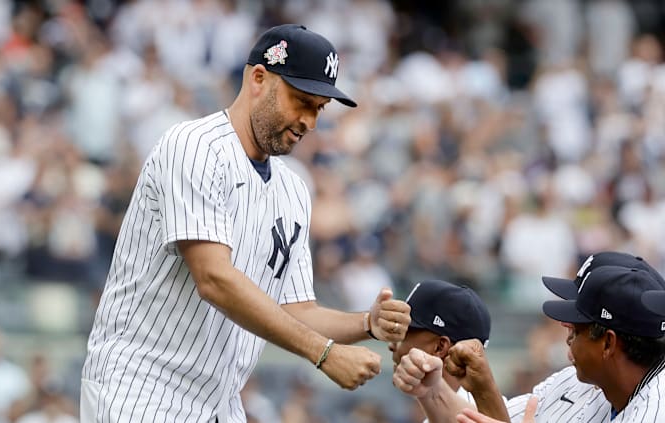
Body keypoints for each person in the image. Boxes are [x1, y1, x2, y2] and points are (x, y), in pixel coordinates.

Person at [81, 24, 412, 423]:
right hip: (141, 389)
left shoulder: (293, 189)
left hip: (219, 402)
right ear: (258, 78)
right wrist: (322, 352)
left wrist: (366, 324)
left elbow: (297, 310)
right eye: (301, 101)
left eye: (319, 108)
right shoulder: (194, 146)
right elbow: (213, 279)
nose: (309, 120)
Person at [394, 264, 665, 423]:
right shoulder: (578, 381)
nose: (567, 335)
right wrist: (432, 391)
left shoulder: (653, 411)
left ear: (608, 343)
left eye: (578, 330)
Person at [389, 279, 491, 418]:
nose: (391, 344)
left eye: (404, 334)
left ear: (440, 347)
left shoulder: (486, 416)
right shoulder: (424, 408)